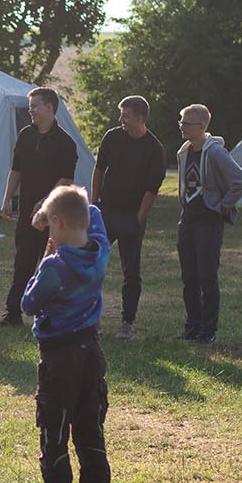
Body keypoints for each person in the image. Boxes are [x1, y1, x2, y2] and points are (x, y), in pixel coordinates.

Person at [20, 185, 110, 483]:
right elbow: (92, 213)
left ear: (56, 223)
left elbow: (28, 303)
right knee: (90, 433)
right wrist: (57, 210)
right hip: (91, 353)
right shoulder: (99, 252)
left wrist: (45, 258)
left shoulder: (54, 267)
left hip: (59, 359)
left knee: (54, 435)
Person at [0, 88, 79, 326]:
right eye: (30, 106)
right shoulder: (25, 135)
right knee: (23, 259)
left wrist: (45, 202)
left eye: (35, 106)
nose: (31, 110)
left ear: (50, 107)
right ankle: (13, 312)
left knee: (50, 263)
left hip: (54, 215)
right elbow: (16, 170)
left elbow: (66, 179)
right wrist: (6, 199)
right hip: (26, 211)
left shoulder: (65, 143)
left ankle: (48, 313)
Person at [170, 103, 242, 344]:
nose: (181, 127)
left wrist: (223, 205)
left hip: (208, 222)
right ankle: (192, 326)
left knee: (207, 277)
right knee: (189, 277)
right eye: (181, 122)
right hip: (187, 220)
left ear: (201, 126)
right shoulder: (185, 151)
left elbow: (241, 181)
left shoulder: (215, 152)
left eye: (186, 123)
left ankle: (208, 330)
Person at [91, 95, 167, 341]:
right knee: (91, 264)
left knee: (131, 272)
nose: (121, 119)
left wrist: (138, 219)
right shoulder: (112, 137)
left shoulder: (154, 149)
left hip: (131, 215)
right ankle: (91, 319)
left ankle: (127, 323)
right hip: (106, 211)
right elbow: (99, 169)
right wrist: (94, 203)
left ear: (140, 117)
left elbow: (151, 190)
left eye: (125, 115)